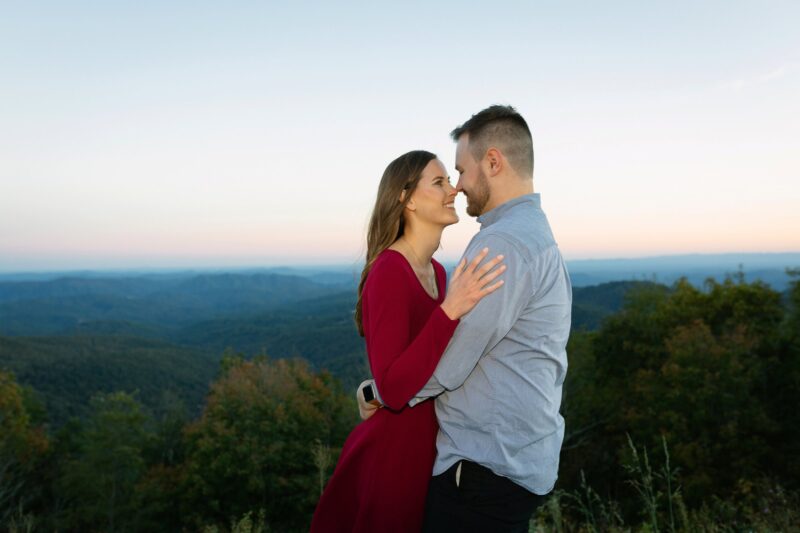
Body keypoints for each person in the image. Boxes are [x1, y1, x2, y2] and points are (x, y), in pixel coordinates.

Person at [360, 105, 572, 532]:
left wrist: (379, 390)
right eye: (443, 179)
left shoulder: (502, 245)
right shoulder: (531, 233)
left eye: (458, 171)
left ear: (492, 162)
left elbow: (451, 363)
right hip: (508, 462)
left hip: (483, 467)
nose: (457, 186)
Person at [309, 150, 506, 532]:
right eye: (439, 182)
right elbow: (396, 389)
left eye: (450, 180)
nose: (453, 190)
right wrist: (450, 311)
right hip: (393, 456)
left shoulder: (436, 271)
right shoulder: (389, 271)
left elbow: (418, 364)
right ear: (408, 199)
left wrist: (370, 389)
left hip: (430, 452)